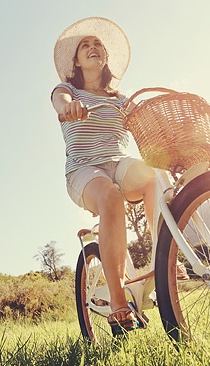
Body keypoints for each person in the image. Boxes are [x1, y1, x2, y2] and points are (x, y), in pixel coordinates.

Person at [51, 17, 155, 334]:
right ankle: (119, 302)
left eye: (98, 44)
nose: (94, 48)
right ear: (77, 61)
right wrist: (70, 107)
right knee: (110, 195)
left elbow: (143, 119)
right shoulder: (67, 89)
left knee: (154, 176)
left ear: (105, 58)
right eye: (86, 45)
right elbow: (60, 101)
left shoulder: (119, 99)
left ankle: (166, 255)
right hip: (84, 169)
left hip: (119, 162)